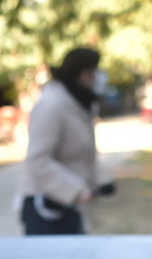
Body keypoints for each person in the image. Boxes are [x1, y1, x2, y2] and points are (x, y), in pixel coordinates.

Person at [18, 47, 114, 236]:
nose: (99, 77)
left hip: (70, 206)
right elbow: (37, 161)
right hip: (46, 209)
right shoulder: (51, 105)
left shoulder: (79, 103)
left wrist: (96, 184)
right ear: (83, 74)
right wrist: (76, 190)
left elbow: (82, 153)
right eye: (95, 72)